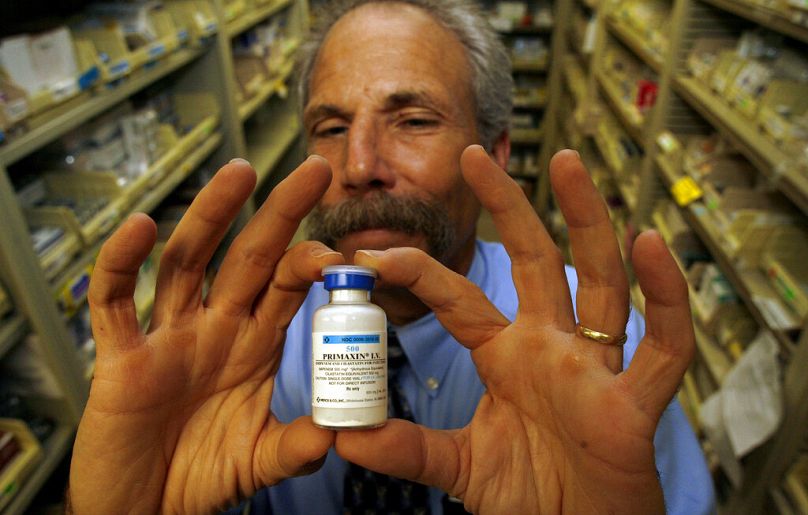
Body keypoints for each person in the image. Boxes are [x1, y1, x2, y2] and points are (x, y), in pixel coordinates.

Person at [68, 0, 715, 513]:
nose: (359, 166)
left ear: (495, 153)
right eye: (331, 128)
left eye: (412, 120)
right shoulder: (243, 351)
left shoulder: (594, 346)